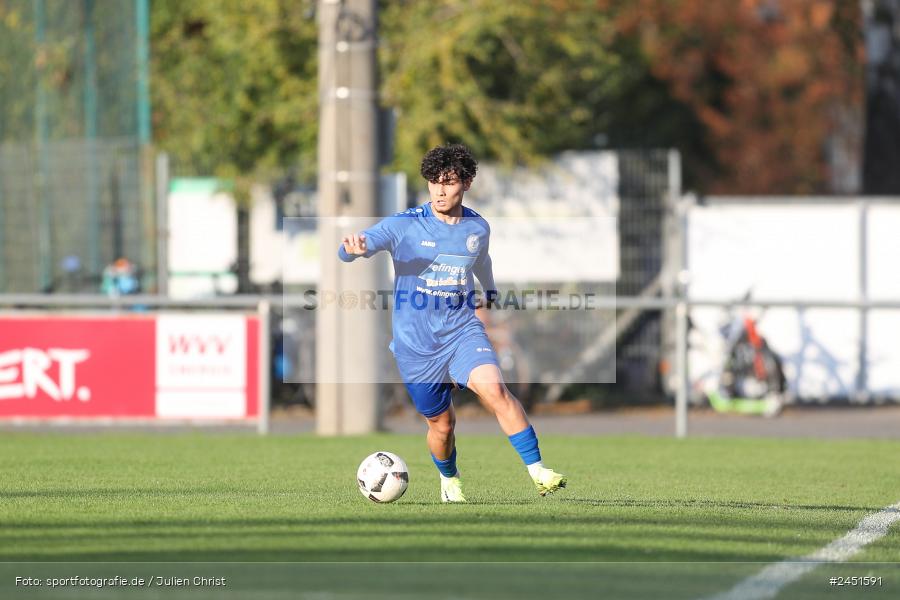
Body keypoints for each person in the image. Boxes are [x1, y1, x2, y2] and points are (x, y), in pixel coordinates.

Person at [338, 143, 567, 502]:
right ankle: (450, 479)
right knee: (442, 425)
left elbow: (481, 260)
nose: (440, 191)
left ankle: (539, 471)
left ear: (467, 183)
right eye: (434, 182)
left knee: (496, 391)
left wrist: (489, 291)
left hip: (461, 331)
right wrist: (352, 249)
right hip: (416, 346)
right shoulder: (405, 225)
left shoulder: (477, 227)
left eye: (448, 182)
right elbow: (358, 245)